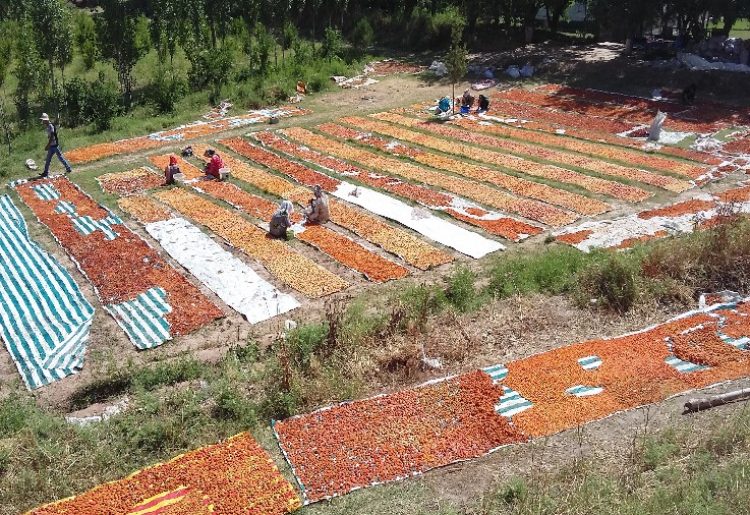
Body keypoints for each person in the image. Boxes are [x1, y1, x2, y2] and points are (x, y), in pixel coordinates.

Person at [40, 113, 72, 177]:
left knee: (60, 158)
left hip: (54, 145)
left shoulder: (50, 126)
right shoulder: (47, 126)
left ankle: (68, 168)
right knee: (48, 159)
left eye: (43, 120)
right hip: (51, 146)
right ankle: (45, 172)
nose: (43, 121)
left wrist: (48, 145)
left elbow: (52, 136)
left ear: (46, 120)